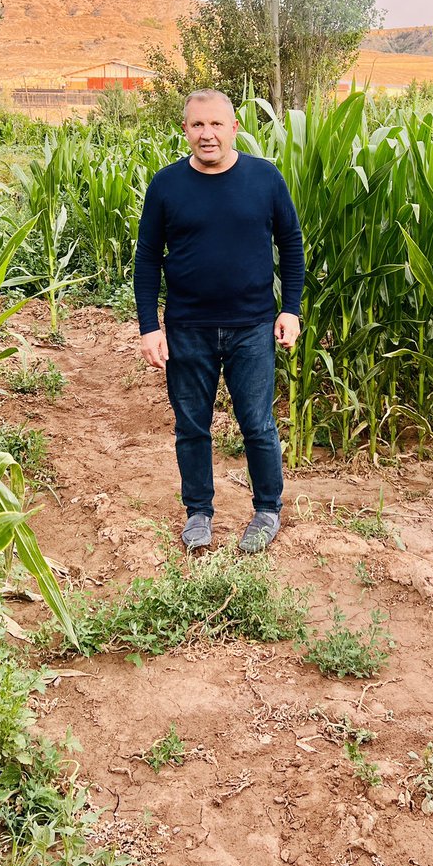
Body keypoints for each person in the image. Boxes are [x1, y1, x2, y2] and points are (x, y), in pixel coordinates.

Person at [133, 89, 305, 553]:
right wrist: (150, 326)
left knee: (257, 423)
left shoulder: (264, 178)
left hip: (252, 326)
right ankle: (199, 513)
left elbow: (291, 245)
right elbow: (147, 258)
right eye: (197, 125)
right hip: (188, 328)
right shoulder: (166, 185)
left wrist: (290, 308)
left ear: (233, 128)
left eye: (215, 125)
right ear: (185, 129)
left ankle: (267, 509)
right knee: (192, 425)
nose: (206, 134)